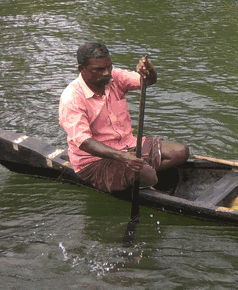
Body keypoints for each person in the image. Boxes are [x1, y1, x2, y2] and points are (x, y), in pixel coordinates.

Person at [59, 42, 190, 192]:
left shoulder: (114, 78)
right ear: (82, 69)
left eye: (109, 66)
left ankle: (140, 177)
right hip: (95, 161)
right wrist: (123, 157)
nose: (107, 73)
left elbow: (147, 81)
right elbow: (84, 142)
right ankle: (142, 177)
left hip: (128, 145)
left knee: (180, 152)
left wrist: (148, 72)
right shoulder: (72, 97)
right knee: (147, 175)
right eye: (100, 69)